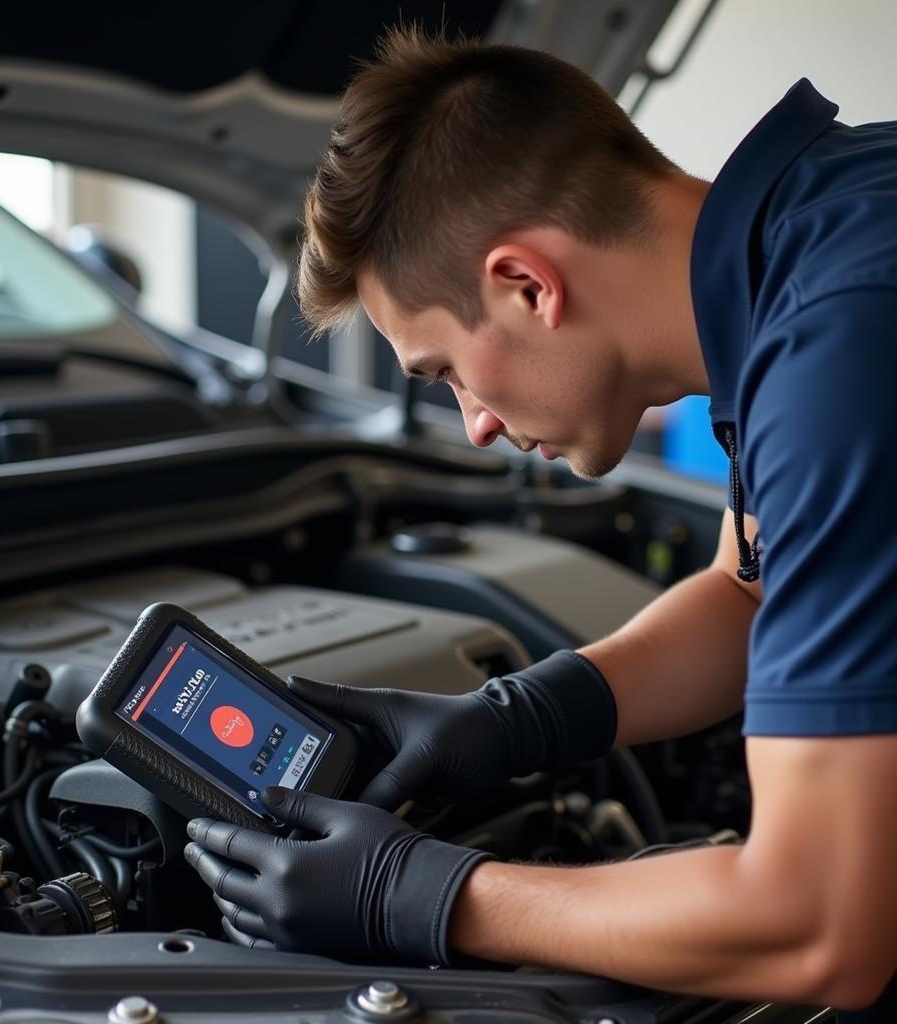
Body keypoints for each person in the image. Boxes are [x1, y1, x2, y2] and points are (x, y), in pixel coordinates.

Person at [184, 27, 897, 1016]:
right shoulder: (823, 232)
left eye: (445, 372)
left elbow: (818, 927)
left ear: (526, 283)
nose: (475, 426)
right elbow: (752, 588)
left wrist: (424, 895)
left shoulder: (843, 352)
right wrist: (513, 720)